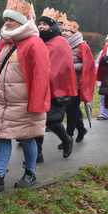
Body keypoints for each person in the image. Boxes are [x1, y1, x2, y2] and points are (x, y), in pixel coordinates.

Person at [0, 0, 50, 191]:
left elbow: (41, 76)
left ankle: (30, 173)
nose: (7, 22)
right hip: (4, 102)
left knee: (27, 137)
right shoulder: (6, 43)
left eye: (12, 19)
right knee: (3, 135)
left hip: (25, 103)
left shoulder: (34, 44)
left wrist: (36, 104)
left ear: (21, 21)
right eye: (6, 19)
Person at [35, 8, 77, 160]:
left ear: (52, 26)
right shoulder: (39, 41)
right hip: (40, 88)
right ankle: (37, 153)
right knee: (38, 122)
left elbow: (62, 68)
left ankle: (66, 139)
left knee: (51, 121)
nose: (41, 27)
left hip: (56, 90)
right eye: (39, 24)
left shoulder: (60, 43)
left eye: (45, 24)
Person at [61, 19, 95, 143]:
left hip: (76, 84)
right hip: (64, 84)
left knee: (71, 110)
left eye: (67, 31)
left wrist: (71, 67)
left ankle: (68, 136)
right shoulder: (61, 44)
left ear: (74, 32)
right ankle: (81, 129)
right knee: (69, 109)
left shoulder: (82, 45)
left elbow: (88, 65)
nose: (64, 33)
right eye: (63, 30)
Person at [96, 34, 108, 120]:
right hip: (103, 77)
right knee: (103, 96)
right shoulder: (102, 52)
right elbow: (98, 64)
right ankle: (104, 113)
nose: (107, 43)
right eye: (106, 41)